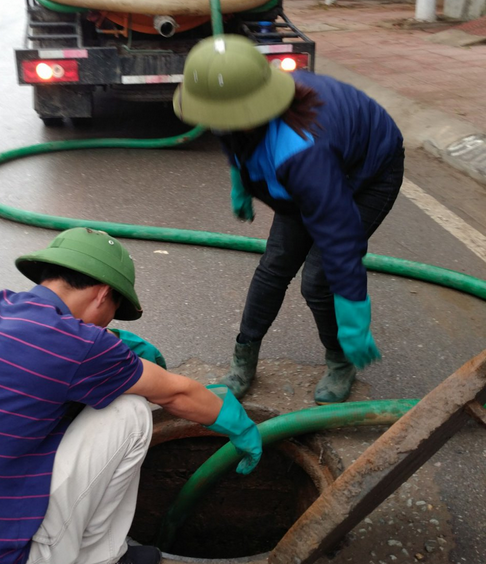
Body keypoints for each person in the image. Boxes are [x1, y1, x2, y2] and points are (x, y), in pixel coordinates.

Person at [0, 228, 261, 564]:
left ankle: (53, 545)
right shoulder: (81, 345)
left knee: (74, 402)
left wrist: (116, 350)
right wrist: (241, 426)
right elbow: (177, 392)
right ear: (102, 295)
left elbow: (47, 358)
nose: (109, 326)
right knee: (130, 411)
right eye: (112, 315)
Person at [173, 35, 404, 405]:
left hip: (368, 173)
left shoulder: (303, 154)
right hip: (316, 166)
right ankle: (244, 357)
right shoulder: (236, 115)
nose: (215, 125)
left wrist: (354, 317)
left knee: (319, 279)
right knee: (275, 265)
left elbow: (340, 240)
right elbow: (233, 142)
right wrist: (241, 184)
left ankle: (341, 359)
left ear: (253, 110)